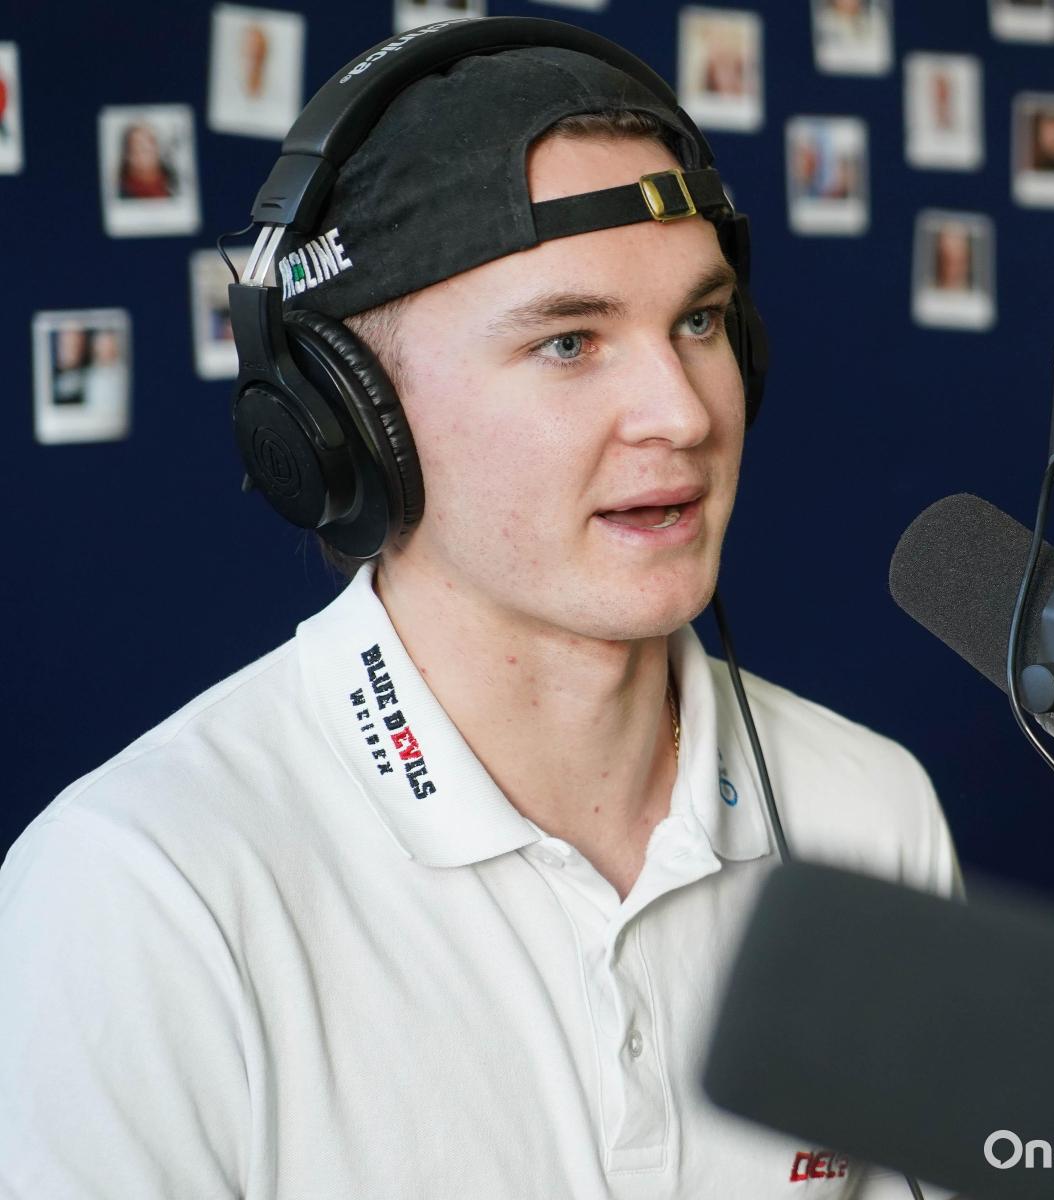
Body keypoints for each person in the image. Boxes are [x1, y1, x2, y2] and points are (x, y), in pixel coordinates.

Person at [0, 26, 958, 1199]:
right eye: (569, 342)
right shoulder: (140, 893)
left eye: (701, 322)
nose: (682, 414)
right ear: (350, 421)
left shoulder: (871, 811)